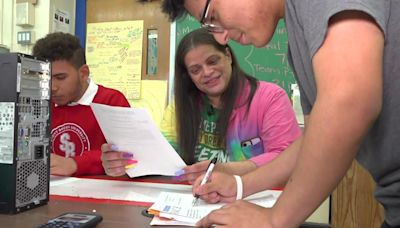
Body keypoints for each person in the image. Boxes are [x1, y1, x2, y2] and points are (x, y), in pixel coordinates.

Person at [160, 1, 400, 228]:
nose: (220, 36)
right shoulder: (298, 37)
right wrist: (240, 186)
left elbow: (349, 100)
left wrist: (276, 219)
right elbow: (312, 138)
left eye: (213, 17)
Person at [101, 28, 301, 183]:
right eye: (195, 70)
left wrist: (225, 170)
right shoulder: (182, 105)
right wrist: (125, 165)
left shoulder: (270, 98)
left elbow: (288, 159)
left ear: (229, 57)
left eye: (212, 61)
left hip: (256, 202)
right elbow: (165, 155)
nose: (206, 72)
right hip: (199, 202)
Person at [32, 32, 131, 177]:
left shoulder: (112, 101)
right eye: (44, 77)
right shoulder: (41, 105)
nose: (51, 87)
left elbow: (128, 154)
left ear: (83, 73)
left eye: (60, 77)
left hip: (101, 193)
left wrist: (76, 164)